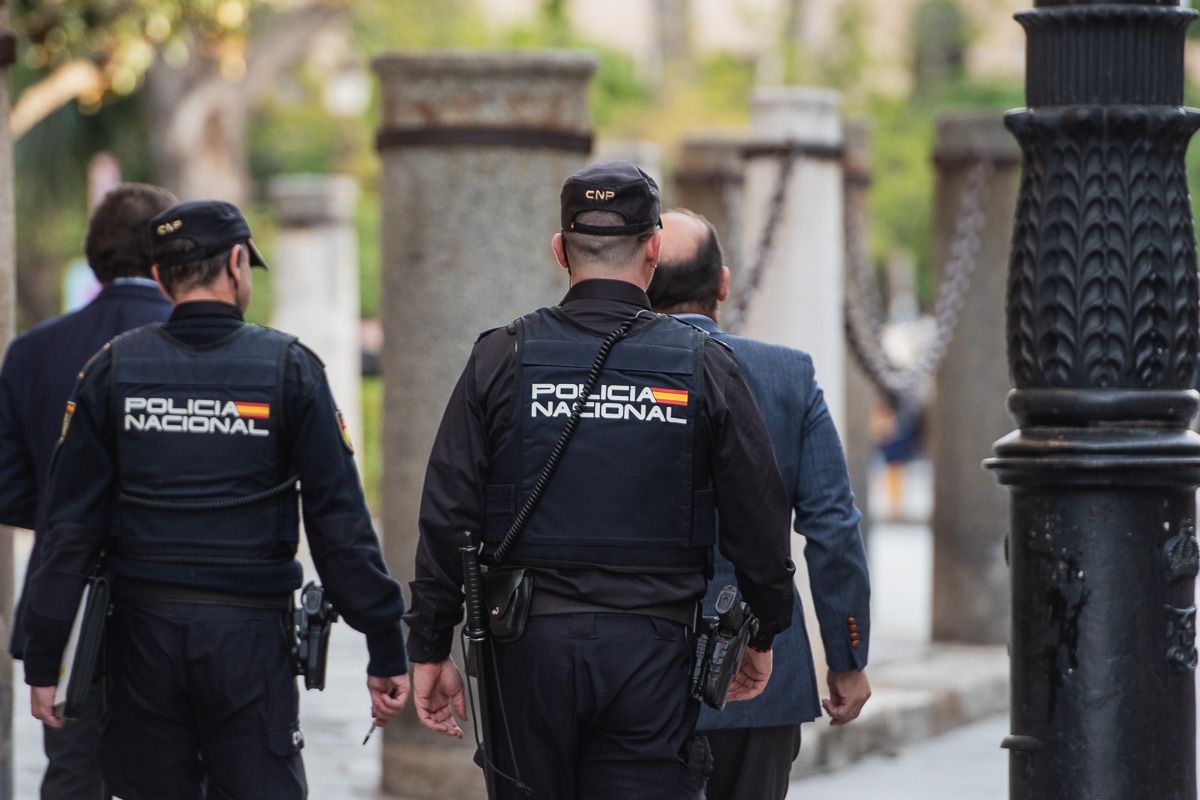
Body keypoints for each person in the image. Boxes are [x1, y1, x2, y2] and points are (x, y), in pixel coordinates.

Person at [404, 161, 797, 799]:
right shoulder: (705, 366)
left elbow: (449, 511)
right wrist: (764, 632)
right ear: (653, 249)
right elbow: (760, 515)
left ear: (560, 249)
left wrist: (427, 643)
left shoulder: (501, 357)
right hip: (652, 651)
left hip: (527, 653)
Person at [22, 199, 410, 799]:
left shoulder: (111, 370)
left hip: (140, 640)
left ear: (160, 276)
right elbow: (340, 525)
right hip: (249, 643)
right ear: (235, 262)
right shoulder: (290, 369)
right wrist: (384, 644)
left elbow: (68, 529)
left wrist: (47, 660)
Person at [648, 209, 873, 800]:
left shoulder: (607, 374)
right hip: (759, 661)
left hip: (635, 663)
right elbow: (832, 524)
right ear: (722, 284)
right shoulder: (786, 375)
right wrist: (847, 655)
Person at [0, 182, 177, 797]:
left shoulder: (31, 352)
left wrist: (68, 518)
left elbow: (10, 492)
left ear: (95, 255)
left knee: (76, 773)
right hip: (182, 603)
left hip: (66, 606)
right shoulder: (215, 348)